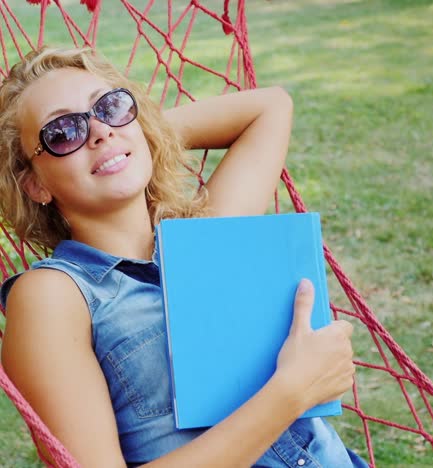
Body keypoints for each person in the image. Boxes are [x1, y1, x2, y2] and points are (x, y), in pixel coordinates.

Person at [0, 46, 366, 468]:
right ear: (35, 185)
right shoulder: (52, 294)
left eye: (111, 106)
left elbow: (270, 107)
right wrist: (292, 391)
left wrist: (134, 136)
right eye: (63, 132)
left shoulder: (205, 236)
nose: (100, 130)